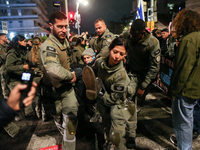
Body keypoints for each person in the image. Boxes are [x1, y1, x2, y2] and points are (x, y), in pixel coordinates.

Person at [83, 37, 135, 149]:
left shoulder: (121, 76)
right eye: (115, 52)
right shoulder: (100, 62)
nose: (117, 57)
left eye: (122, 54)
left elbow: (113, 98)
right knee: (106, 127)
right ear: (109, 49)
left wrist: (100, 94)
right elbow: (92, 74)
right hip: (103, 102)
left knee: (116, 138)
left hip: (118, 105)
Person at [38, 11, 78, 150]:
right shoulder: (48, 46)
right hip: (54, 92)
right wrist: (71, 75)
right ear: (51, 26)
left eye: (66, 26)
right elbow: (53, 69)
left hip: (67, 91)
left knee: (71, 126)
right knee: (61, 123)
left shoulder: (65, 42)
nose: (64, 30)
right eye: (60, 26)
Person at [168, 9, 200, 150]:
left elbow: (182, 70)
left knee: (183, 124)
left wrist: (173, 92)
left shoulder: (188, 40)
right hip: (197, 87)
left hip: (186, 89)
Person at [122, 19, 161, 108]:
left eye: (135, 35)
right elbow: (117, 41)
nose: (132, 37)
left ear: (143, 32)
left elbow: (154, 67)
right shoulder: (128, 34)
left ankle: (134, 116)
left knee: (139, 100)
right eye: (131, 34)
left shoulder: (152, 43)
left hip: (144, 75)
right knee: (128, 97)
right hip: (130, 72)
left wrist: (143, 87)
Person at [4, 35, 31, 138]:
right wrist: (22, 66)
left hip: (19, 77)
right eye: (24, 41)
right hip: (12, 79)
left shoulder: (19, 51)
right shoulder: (12, 53)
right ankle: (17, 119)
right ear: (19, 42)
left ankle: (19, 119)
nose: (25, 42)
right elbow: (8, 67)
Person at [0, 33, 9, 98]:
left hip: (8, 66)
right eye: (5, 37)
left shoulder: (6, 45)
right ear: (1, 38)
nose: (6, 38)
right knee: (5, 85)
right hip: (3, 67)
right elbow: (4, 56)